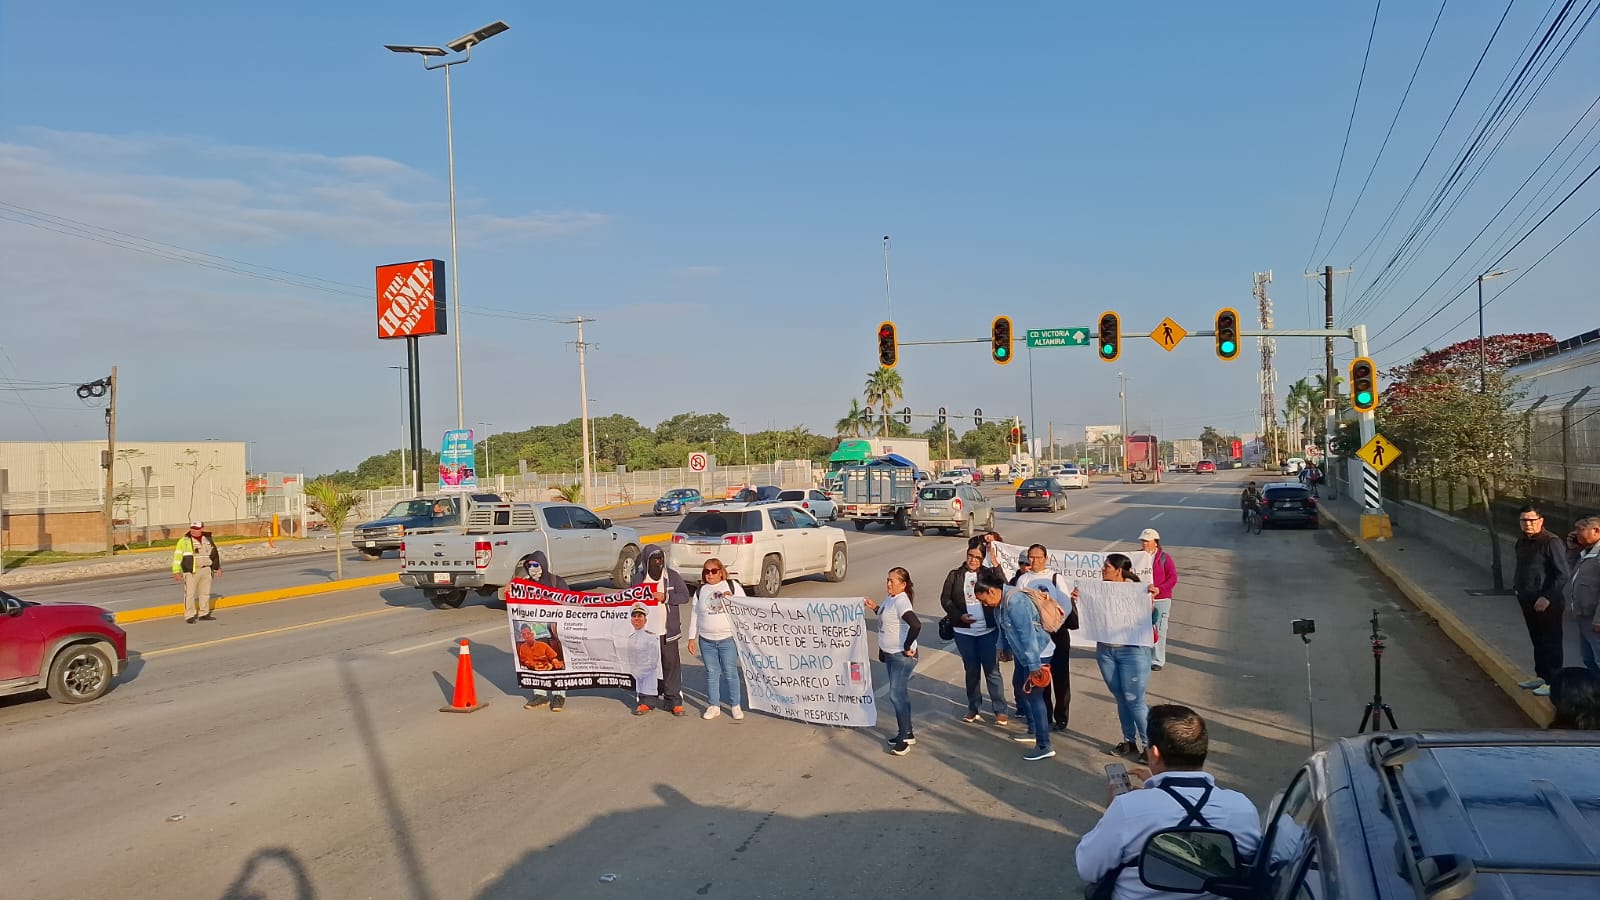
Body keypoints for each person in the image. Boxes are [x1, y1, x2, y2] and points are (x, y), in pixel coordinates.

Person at [1076, 704, 1262, 900]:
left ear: (1155, 754)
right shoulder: (1240, 807)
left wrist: (1111, 812)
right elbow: (1253, 864)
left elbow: (1088, 869)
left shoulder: (1127, 808)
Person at [1074, 554, 1158, 762]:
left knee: (1134, 699)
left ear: (1119, 571)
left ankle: (1149, 746)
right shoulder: (1098, 590)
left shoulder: (1138, 590)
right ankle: (1129, 741)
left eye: (1107, 567)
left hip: (1132, 651)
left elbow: (1152, 619)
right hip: (1106, 651)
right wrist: (1077, 600)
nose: (1103, 570)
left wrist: (1150, 601)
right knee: (1121, 697)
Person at [976, 568, 1058, 761]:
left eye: (984, 600)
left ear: (992, 591)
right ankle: (1033, 730)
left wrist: (1034, 666)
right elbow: (1003, 629)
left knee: (1035, 697)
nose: (984, 605)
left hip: (1037, 654)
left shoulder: (1015, 602)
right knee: (1022, 689)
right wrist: (1002, 647)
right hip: (1025, 655)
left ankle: (1044, 745)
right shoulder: (1000, 603)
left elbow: (1027, 635)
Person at [1010, 543, 1077, 732]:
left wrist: (1054, 624)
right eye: (1031, 557)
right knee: (1041, 677)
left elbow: (1066, 604)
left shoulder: (1055, 577)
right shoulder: (1023, 579)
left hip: (1057, 633)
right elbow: (1018, 605)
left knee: (1061, 676)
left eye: (1038, 557)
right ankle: (1045, 715)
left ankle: (1061, 716)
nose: (1034, 561)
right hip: (1036, 636)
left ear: (1046, 558)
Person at [940, 544, 1008, 726]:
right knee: (971, 671)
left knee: (992, 671)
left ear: (982, 559)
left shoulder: (988, 574)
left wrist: (995, 563)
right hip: (964, 633)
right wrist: (959, 616)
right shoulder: (955, 575)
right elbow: (945, 599)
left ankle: (1000, 710)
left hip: (988, 632)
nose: (973, 560)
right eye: (970, 555)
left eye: (978, 557)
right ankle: (973, 707)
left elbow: (1003, 586)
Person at [1514, 504, 1570, 696]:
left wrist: (1546, 597)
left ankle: (1554, 681)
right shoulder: (1522, 541)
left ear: (1541, 521)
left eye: (1532, 520)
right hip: (1527, 599)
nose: (1528, 524)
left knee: (1551, 641)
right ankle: (1542, 676)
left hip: (1547, 602)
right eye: (1524, 520)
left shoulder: (1551, 541)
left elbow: (1562, 574)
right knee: (1537, 639)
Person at [864, 567, 921, 756]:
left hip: (901, 657)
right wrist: (874, 607)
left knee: (896, 695)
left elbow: (915, 624)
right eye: (887, 580)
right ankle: (907, 732)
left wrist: (907, 645)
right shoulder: (891, 598)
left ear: (903, 585)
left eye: (892, 581)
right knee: (900, 694)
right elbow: (887, 618)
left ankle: (904, 739)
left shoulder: (902, 601)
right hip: (890, 655)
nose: (888, 583)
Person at [631, 545, 692, 716]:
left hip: (667, 632)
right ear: (646, 561)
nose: (658, 563)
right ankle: (646, 700)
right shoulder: (638, 579)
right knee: (646, 667)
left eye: (660, 559)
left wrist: (666, 597)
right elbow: (629, 600)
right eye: (654, 560)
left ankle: (674, 701)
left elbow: (684, 596)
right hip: (646, 633)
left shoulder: (672, 576)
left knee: (671, 665)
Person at [686, 557, 747, 721]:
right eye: (707, 571)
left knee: (730, 672)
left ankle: (735, 706)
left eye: (714, 571)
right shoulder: (700, 590)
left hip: (727, 639)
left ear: (721, 572)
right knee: (712, 673)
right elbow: (695, 615)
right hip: (706, 640)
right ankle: (714, 706)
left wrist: (732, 599)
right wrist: (691, 638)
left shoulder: (732, 586)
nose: (710, 574)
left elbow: (745, 607)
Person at [519, 551, 571, 712]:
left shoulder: (556, 582)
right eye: (529, 566)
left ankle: (559, 695)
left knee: (556, 661)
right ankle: (540, 695)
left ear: (543, 564)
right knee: (536, 662)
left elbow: (569, 602)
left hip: (554, 632)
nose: (532, 569)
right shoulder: (526, 584)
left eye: (535, 565)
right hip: (535, 634)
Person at [1564, 517, 1600, 676]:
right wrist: (1572, 550)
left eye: (1581, 529)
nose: (1575, 533)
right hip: (1583, 616)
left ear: (1596, 531)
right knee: (1588, 658)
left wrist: (1599, 620)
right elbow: (1570, 572)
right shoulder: (1587, 552)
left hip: (1594, 618)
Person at [1140, 530, 1179, 672]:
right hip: (1141, 599)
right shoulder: (1137, 557)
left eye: (1147, 541)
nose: (1144, 543)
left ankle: (1157, 659)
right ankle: (1142, 657)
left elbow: (1173, 578)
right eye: (1143, 541)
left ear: (1155, 542)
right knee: (1140, 629)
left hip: (1161, 599)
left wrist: (1159, 589)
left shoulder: (1164, 558)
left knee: (1159, 629)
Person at [171, 521, 222, 624]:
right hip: (192, 571)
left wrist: (217, 567)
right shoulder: (184, 541)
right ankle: (189, 615)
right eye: (192, 528)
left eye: (196, 529)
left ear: (201, 529)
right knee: (189, 594)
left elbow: (214, 554)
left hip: (206, 569)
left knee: (205, 593)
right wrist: (176, 571)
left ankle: (204, 613)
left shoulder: (207, 539)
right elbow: (177, 557)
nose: (194, 530)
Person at [625, 603, 662, 713]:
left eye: (640, 616)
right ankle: (643, 702)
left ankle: (647, 703)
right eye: (634, 616)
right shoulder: (631, 638)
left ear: (645, 620)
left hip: (647, 673)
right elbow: (630, 657)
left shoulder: (650, 637)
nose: (636, 619)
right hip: (637, 673)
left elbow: (653, 659)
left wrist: (642, 671)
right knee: (640, 688)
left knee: (649, 688)